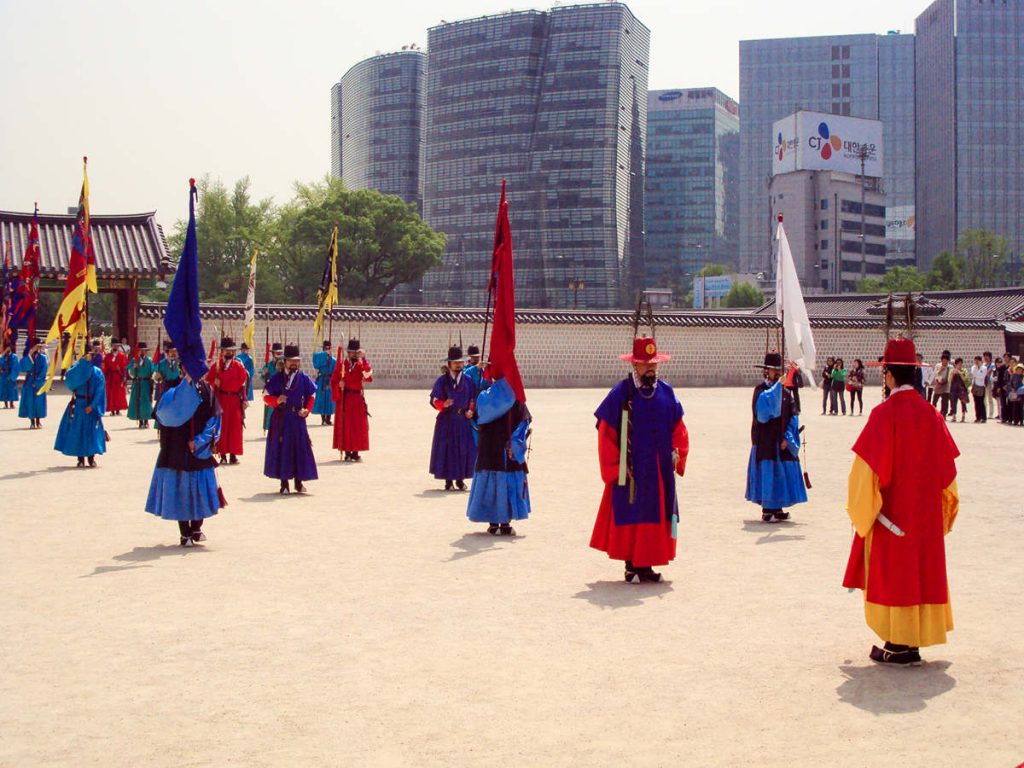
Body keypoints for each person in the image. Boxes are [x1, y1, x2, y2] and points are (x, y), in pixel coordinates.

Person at [843, 337, 960, 666]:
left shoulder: (884, 415)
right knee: (921, 573)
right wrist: (942, 513)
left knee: (895, 575)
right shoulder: (931, 414)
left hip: (892, 514)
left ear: (889, 376)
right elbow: (948, 475)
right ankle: (913, 642)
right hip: (924, 514)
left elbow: (865, 474)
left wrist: (862, 512)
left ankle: (898, 643)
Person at [591, 337, 689, 582]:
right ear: (634, 365)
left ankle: (647, 565)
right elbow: (606, 431)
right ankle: (631, 564)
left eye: (654, 364)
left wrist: (678, 452)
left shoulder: (667, 392)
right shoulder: (622, 393)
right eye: (645, 364)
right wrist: (616, 467)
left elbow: (679, 427)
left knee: (656, 514)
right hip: (633, 468)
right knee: (633, 512)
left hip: (659, 469)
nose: (650, 368)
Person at [145, 375, 224, 547]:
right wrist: (183, 392)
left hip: (199, 449)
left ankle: (197, 527)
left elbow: (215, 419)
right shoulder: (172, 388)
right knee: (180, 490)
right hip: (176, 447)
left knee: (200, 489)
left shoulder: (208, 390)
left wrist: (200, 441)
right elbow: (164, 415)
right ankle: (184, 532)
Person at [467, 372, 532, 536]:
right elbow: (524, 421)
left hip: (489, 448)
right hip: (506, 447)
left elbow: (475, 417)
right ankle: (505, 523)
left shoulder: (483, 397)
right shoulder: (515, 398)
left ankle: (493, 522)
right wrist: (516, 444)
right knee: (506, 481)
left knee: (490, 481)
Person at [746, 351, 807, 522]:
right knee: (768, 472)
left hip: (782, 440)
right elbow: (764, 414)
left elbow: (793, 416)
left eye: (779, 371)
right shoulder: (760, 391)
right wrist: (777, 388)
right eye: (773, 370)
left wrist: (788, 438)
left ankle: (778, 507)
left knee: (781, 473)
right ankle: (767, 508)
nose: (777, 374)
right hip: (765, 439)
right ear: (766, 371)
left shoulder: (787, 394)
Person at [264, 344, 318, 494]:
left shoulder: (303, 378)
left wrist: (307, 410)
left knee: (299, 449)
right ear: (285, 361)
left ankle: (298, 483)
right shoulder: (277, 378)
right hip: (281, 419)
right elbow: (265, 396)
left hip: (298, 419)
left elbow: (312, 395)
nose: (294, 363)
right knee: (283, 450)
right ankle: (284, 483)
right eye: (291, 361)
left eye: (297, 361)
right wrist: (276, 401)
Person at [429, 346, 478, 491]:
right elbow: (433, 399)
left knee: (462, 450)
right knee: (447, 449)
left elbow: (473, 399)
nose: (459, 365)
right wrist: (443, 404)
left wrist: (470, 410)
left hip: (462, 420)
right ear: (449, 364)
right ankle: (448, 480)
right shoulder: (442, 381)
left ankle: (460, 480)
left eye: (461, 362)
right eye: (455, 362)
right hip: (446, 420)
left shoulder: (468, 380)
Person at [53, 355, 107, 468]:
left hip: (91, 405)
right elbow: (70, 383)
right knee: (79, 431)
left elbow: (100, 391)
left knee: (91, 432)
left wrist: (92, 406)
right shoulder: (76, 370)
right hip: (79, 405)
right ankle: (80, 458)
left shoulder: (97, 372)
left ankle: (91, 458)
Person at [205, 337, 248, 465]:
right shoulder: (216, 366)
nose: (229, 353)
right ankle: (222, 454)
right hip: (221, 399)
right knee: (222, 427)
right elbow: (207, 382)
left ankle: (233, 455)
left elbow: (243, 385)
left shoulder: (239, 366)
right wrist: (214, 382)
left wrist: (244, 399)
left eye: (231, 351)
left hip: (234, 399)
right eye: (226, 350)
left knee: (235, 428)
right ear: (222, 351)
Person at [331, 338, 372, 462]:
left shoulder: (361, 364)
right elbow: (333, 380)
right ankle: (347, 451)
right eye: (350, 352)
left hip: (357, 399)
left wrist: (363, 359)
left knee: (357, 426)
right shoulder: (342, 365)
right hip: (346, 398)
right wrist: (339, 384)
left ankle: (356, 451)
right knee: (346, 425)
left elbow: (368, 377)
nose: (352, 354)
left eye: (355, 352)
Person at [18, 337, 47, 429]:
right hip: (29, 381)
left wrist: (37, 382)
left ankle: (38, 421)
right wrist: (30, 354)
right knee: (30, 402)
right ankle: (32, 421)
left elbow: (44, 371)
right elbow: (23, 367)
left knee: (38, 402)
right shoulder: (28, 355)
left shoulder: (43, 357)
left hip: (39, 382)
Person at [127, 341, 155, 429]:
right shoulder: (134, 360)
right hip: (137, 383)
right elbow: (130, 373)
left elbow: (153, 372)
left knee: (146, 402)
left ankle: (146, 420)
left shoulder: (149, 360)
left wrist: (153, 381)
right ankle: (140, 420)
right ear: (138, 351)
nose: (142, 352)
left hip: (146, 384)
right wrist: (133, 368)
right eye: (140, 350)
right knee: (137, 401)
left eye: (144, 350)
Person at [260, 342, 285, 432]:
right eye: (277, 353)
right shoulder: (269, 365)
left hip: (283, 391)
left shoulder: (284, 364)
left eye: (280, 353)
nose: (278, 355)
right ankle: (271, 428)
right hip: (272, 391)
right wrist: (264, 373)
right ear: (273, 354)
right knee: (271, 410)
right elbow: (262, 377)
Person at [311, 340, 337, 426]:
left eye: (328, 348)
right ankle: (322, 418)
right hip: (322, 380)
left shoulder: (333, 360)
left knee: (330, 400)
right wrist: (324, 354)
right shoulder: (320, 358)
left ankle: (328, 419)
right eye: (325, 348)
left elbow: (336, 371)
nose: (327, 350)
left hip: (330, 381)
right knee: (321, 399)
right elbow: (315, 363)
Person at [101, 342, 128, 416]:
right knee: (111, 393)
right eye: (114, 345)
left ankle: (118, 410)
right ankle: (112, 410)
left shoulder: (122, 356)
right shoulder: (108, 356)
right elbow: (105, 367)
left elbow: (124, 367)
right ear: (112, 346)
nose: (115, 346)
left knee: (118, 393)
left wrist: (124, 376)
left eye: (116, 345)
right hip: (110, 376)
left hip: (119, 376)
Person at [969, 355, 990, 423]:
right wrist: (977, 374)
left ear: (981, 361)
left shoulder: (984, 368)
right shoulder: (973, 367)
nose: (976, 362)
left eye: (978, 360)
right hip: (975, 385)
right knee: (976, 402)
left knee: (981, 402)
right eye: (975, 360)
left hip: (981, 386)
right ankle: (978, 417)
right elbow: (974, 374)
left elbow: (982, 376)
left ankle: (983, 417)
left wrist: (977, 374)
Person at [0, 341, 20, 409]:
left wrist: (11, 376)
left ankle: (11, 403)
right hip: (4, 373)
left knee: (12, 389)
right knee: (4, 388)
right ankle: (5, 404)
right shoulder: (2, 356)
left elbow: (15, 366)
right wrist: (4, 353)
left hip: (11, 373)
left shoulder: (14, 356)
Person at [949, 357, 969, 423]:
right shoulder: (952, 371)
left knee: (963, 402)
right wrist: (953, 374)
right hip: (954, 388)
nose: (960, 365)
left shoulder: (964, 370)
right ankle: (954, 416)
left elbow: (966, 379)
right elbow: (949, 380)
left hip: (962, 389)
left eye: (961, 363)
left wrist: (959, 373)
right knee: (953, 402)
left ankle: (963, 416)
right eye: (958, 364)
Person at [931, 351, 951, 418]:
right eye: (943, 360)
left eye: (946, 360)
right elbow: (934, 374)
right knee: (935, 399)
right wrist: (940, 370)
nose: (945, 362)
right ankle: (933, 412)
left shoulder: (950, 367)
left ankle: (943, 413)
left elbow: (951, 376)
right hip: (938, 384)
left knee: (945, 401)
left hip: (946, 386)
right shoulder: (938, 365)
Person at [993, 356, 1009, 422]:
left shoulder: (1011, 367)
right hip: (1002, 388)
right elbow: (999, 378)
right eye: (1005, 357)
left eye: (1007, 357)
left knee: (1010, 403)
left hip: (1010, 387)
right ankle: (1003, 418)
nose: (1006, 359)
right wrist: (999, 387)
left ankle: (1010, 418)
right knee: (1003, 403)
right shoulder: (1001, 368)